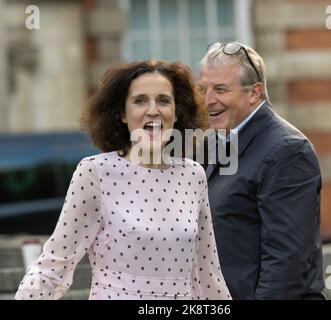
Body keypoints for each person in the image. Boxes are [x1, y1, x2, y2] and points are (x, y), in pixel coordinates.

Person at [15, 60, 231, 300]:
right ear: (122, 114)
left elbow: (208, 275)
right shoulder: (94, 173)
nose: (153, 110)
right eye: (140, 100)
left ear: (177, 113)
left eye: (163, 100)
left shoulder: (193, 176)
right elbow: (53, 266)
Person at [198, 41, 325, 299]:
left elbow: (286, 262)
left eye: (220, 89)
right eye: (203, 89)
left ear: (254, 93)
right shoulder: (211, 141)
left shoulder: (288, 151)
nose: (208, 101)